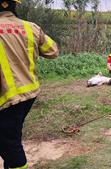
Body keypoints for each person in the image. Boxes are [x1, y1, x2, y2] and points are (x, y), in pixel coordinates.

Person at [0, 0, 59, 168]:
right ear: (14, 5)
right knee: (11, 135)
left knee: (9, 144)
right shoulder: (31, 27)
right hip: (29, 92)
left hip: (6, 97)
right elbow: (53, 50)